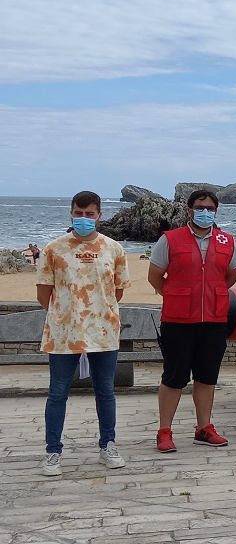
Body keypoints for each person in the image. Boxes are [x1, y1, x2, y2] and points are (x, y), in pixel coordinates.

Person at [36, 191, 129, 475]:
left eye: (90, 214)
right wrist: (70, 313)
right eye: (79, 213)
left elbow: (119, 290)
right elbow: (43, 294)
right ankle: (53, 451)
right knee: (58, 393)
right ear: (71, 213)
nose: (84, 218)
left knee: (106, 391)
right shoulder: (54, 249)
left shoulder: (114, 249)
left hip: (103, 332)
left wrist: (95, 313)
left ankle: (108, 445)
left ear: (99, 215)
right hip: (64, 333)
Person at [148, 190, 236, 452]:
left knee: (207, 377)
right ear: (189, 210)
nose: (205, 212)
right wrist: (175, 294)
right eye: (200, 207)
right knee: (174, 377)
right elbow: (155, 275)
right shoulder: (170, 240)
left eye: (210, 208)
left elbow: (230, 276)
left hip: (213, 318)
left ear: (216, 211)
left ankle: (204, 428)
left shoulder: (227, 241)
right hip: (178, 320)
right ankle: (164, 431)